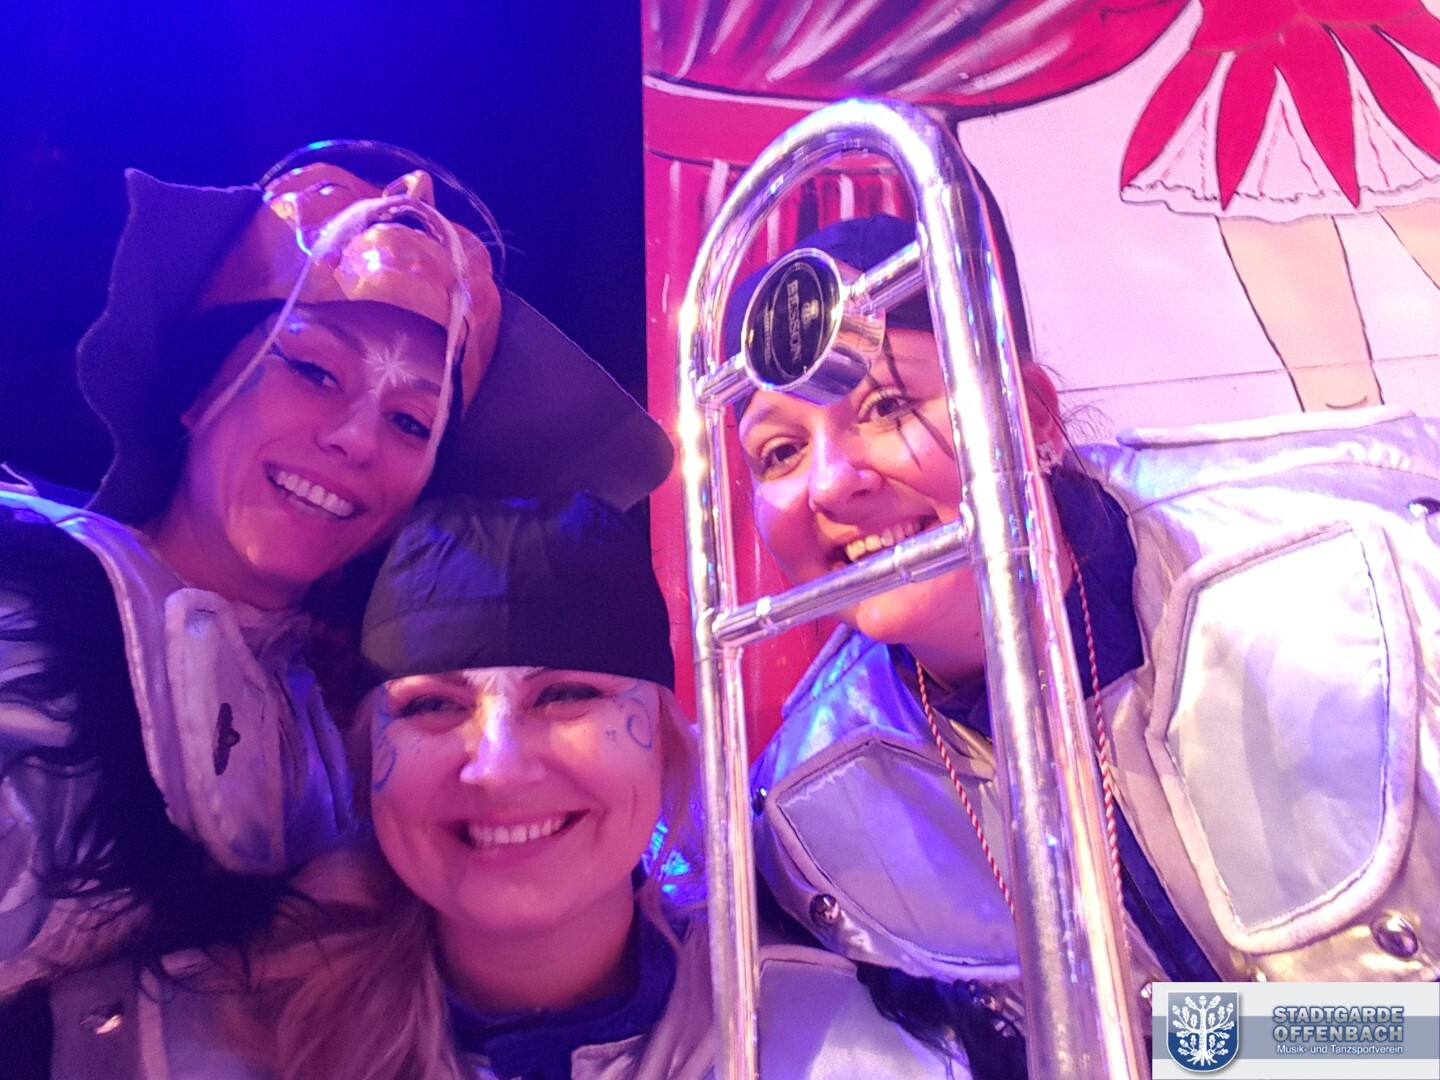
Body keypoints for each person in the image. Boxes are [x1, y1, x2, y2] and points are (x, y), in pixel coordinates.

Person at [0, 141, 672, 1010]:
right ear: (200, 387)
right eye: (314, 371)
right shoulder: (28, 607)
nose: (355, 438)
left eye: (410, 421)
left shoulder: (342, 715)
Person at [730, 213, 1440, 1029]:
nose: (828, 484)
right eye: (779, 453)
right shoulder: (809, 811)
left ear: (1032, 416)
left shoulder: (1374, 563)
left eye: (888, 406)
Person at [44, 492, 970, 1079]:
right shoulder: (172, 1042)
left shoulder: (827, 1044)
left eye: (566, 696)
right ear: (369, 770)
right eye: (432, 707)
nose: (496, 765)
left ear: (666, 752)